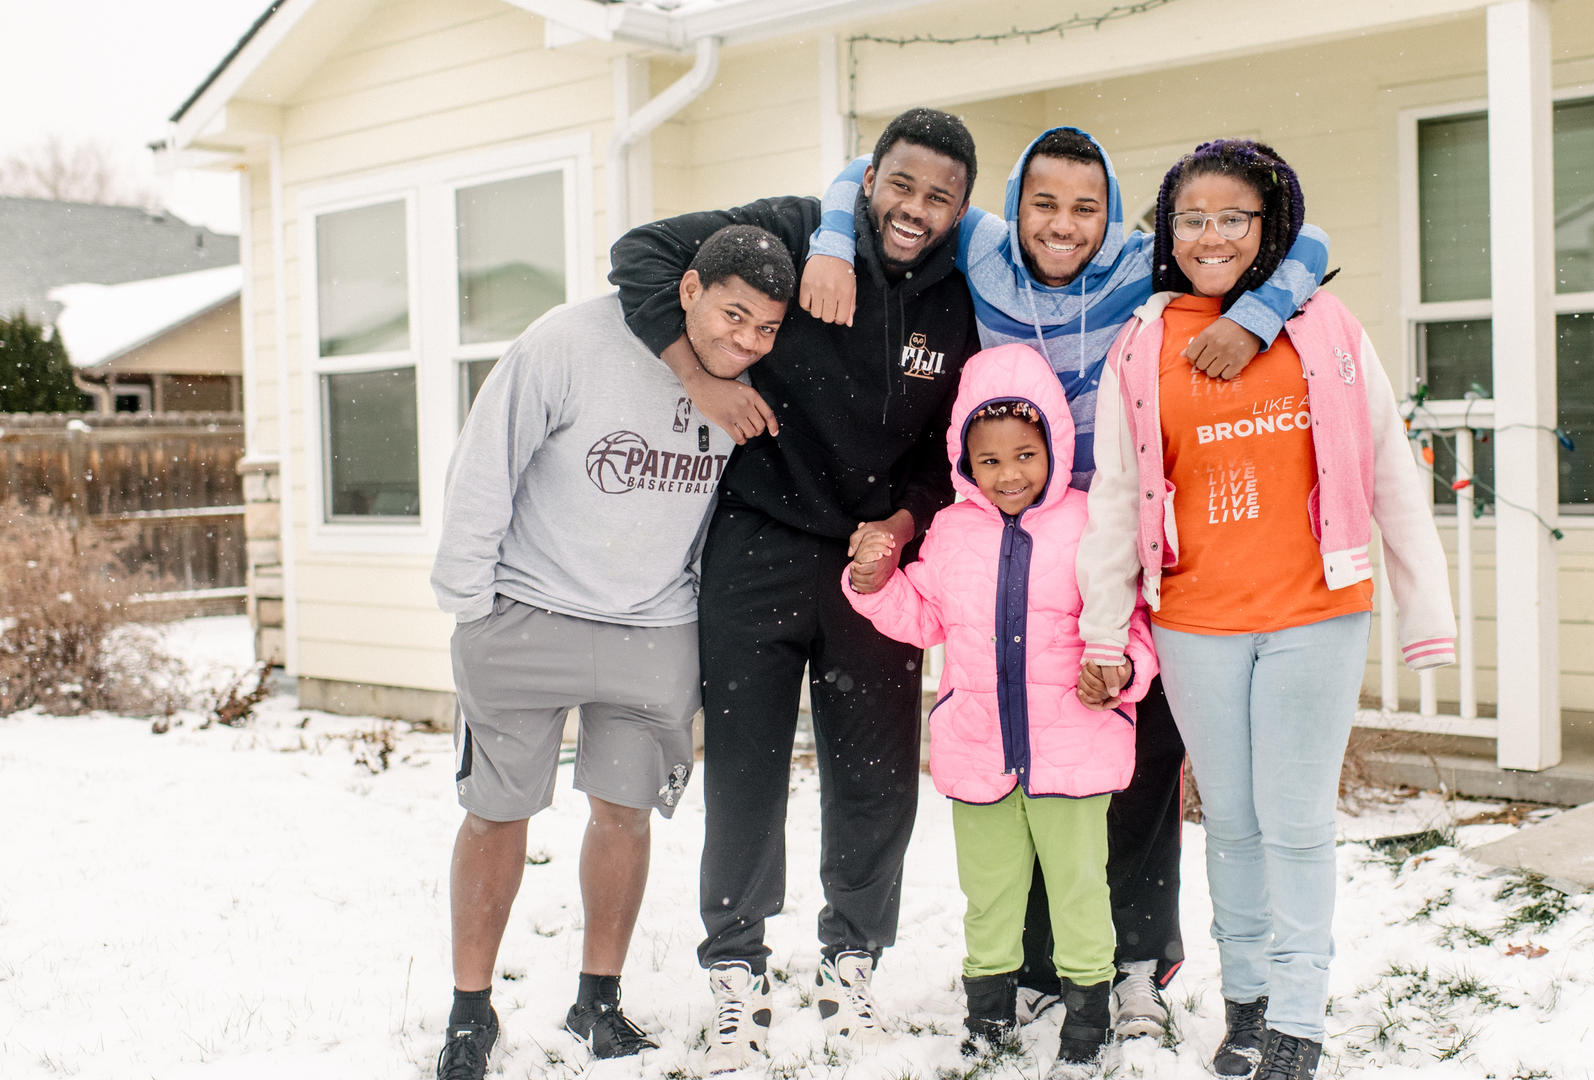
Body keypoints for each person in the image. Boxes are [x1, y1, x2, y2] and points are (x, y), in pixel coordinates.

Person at [800, 125, 1332, 1041]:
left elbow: (1305, 241)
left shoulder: (1143, 258)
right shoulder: (981, 245)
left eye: (1086, 207)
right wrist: (830, 241)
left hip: (1123, 534)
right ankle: (1045, 967)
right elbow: (862, 172)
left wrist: (1255, 315)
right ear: (1011, 210)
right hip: (1013, 527)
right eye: (1043, 203)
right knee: (1032, 763)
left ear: (1113, 217)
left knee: (1134, 763)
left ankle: (1135, 966)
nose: (1063, 224)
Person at [607, 107, 980, 1073]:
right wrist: (699, 379)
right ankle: (736, 972)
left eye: (940, 195)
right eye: (900, 184)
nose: (915, 209)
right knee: (744, 766)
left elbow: (950, 458)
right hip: (759, 543)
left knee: (877, 774)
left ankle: (852, 963)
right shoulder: (789, 229)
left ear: (963, 209)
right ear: (866, 179)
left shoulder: (964, 297)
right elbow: (641, 255)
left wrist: (900, 530)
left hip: (874, 564)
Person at [1076, 140, 1456, 1080]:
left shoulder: (1326, 329)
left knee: (1294, 819)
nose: (1211, 235)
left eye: (1233, 217)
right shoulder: (1143, 341)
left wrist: (1425, 606)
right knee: (1233, 819)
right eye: (1192, 217)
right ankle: (1244, 997)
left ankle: (1297, 1014)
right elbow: (1119, 497)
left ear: (1268, 225)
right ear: (1169, 230)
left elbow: (1390, 474)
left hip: (1316, 609)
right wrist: (1101, 626)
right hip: (1194, 617)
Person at [425, 225, 795, 1080]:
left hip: (652, 628)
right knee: (497, 812)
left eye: (765, 330)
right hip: (527, 613)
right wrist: (471, 607)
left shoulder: (750, 381)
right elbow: (484, 467)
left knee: (624, 813)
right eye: (733, 316)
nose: (745, 342)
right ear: (690, 289)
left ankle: (598, 999)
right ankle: (469, 1010)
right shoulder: (567, 342)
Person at [842, 342, 1158, 1080]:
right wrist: (872, 582)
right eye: (989, 461)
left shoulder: (1088, 526)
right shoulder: (952, 532)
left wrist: (1118, 671)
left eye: (1025, 454)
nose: (1009, 474)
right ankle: (987, 1011)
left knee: (1080, 888)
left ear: (1055, 444)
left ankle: (1087, 1017)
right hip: (978, 747)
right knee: (988, 893)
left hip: (1073, 748)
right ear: (963, 460)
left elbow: (1134, 625)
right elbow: (922, 618)